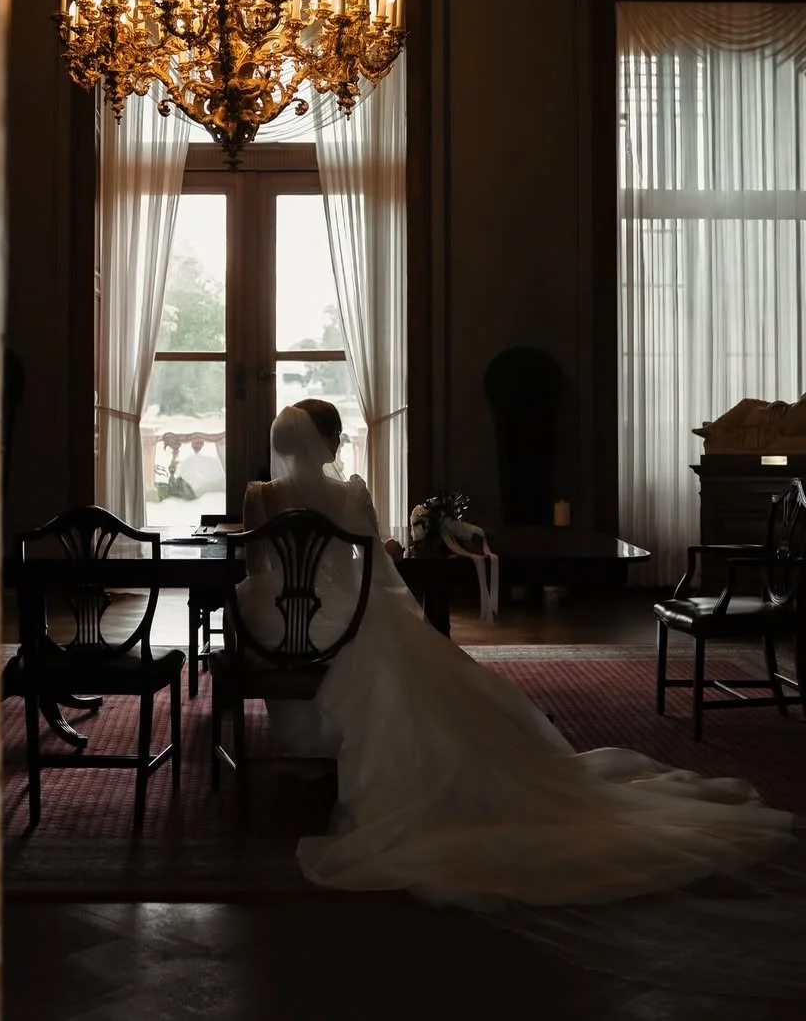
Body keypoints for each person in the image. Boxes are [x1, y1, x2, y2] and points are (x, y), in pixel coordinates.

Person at [236, 401, 806, 996]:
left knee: (283, 627)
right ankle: (397, 760)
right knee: (407, 668)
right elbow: (380, 574)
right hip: (347, 619)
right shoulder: (351, 492)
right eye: (338, 434)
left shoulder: (258, 496)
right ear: (326, 440)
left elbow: (252, 567)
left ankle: (303, 746)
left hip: (279, 626)